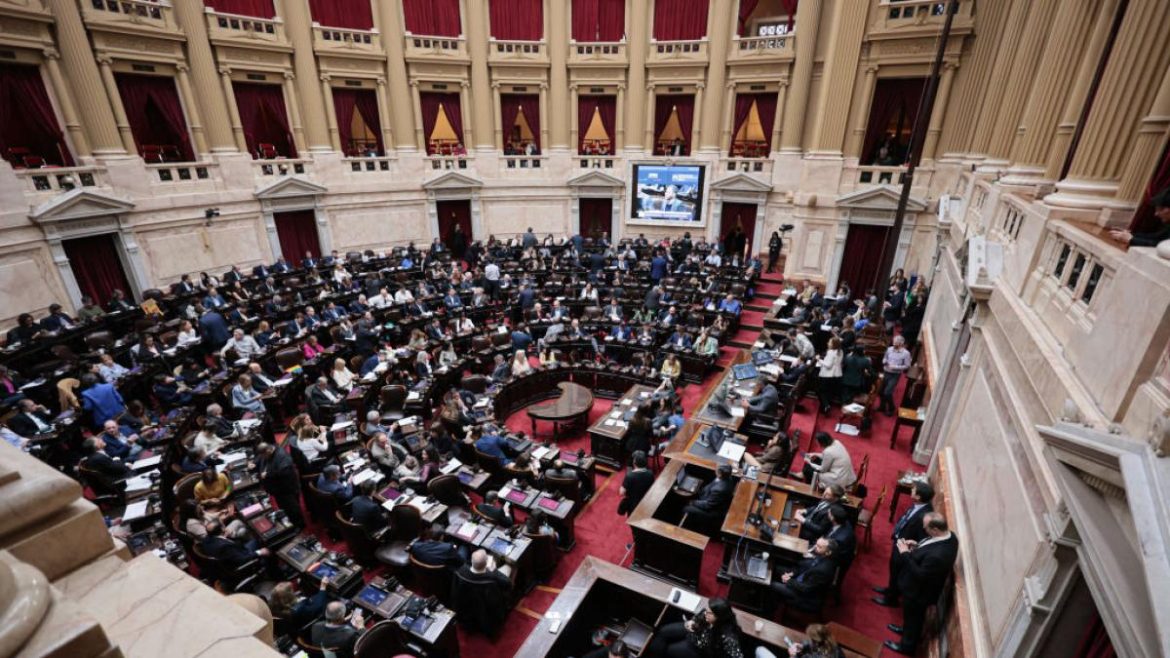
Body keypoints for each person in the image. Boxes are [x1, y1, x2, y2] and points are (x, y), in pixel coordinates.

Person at [883, 513, 959, 655]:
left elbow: (920, 574)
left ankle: (906, 647)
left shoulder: (938, 556)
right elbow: (929, 551)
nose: (923, 529)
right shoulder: (950, 537)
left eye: (926, 527)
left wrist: (905, 553)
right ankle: (906, 631)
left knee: (913, 619)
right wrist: (917, 546)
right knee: (912, 619)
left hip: (918, 593)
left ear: (935, 529)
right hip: (920, 590)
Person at [874, 482, 935, 609]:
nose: (911, 491)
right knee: (893, 570)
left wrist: (909, 548)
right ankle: (890, 589)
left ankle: (891, 599)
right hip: (900, 541)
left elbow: (922, 537)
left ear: (918, 497)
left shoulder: (925, 516)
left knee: (897, 572)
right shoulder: (918, 505)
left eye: (913, 490)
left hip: (905, 547)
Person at [645, 598, 744, 658]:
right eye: (707, 610)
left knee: (668, 650)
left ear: (719, 616)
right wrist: (692, 621)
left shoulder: (728, 636)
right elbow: (698, 617)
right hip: (693, 631)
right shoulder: (707, 613)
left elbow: (737, 655)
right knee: (663, 631)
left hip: (697, 648)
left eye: (710, 613)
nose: (705, 613)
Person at [451, 549, 513, 636]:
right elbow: (508, 584)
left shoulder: (461, 571)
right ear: (486, 564)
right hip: (489, 612)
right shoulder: (491, 578)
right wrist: (494, 570)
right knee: (509, 565)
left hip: (468, 608)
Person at [769, 538, 837, 615]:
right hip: (800, 580)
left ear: (828, 552)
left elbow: (805, 589)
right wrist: (792, 574)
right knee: (775, 568)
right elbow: (804, 568)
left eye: (819, 547)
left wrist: (789, 581)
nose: (815, 547)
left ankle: (769, 611)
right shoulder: (821, 555)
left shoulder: (823, 570)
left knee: (772, 585)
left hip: (804, 596)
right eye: (816, 544)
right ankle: (774, 600)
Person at [254, 442, 305, 528]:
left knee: (293, 509)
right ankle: (291, 522)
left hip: (287, 489)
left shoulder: (282, 456)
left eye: (264, 456)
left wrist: (268, 474)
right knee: (284, 508)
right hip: (278, 490)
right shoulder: (268, 452)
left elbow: (284, 472)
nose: (263, 458)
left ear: (268, 451)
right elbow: (260, 458)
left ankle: (299, 525)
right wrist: (254, 463)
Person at [682, 463, 735, 533]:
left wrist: (693, 502)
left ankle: (690, 527)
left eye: (717, 469)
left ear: (720, 474)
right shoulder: (727, 477)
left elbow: (708, 505)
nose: (715, 469)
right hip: (710, 498)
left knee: (686, 508)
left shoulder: (719, 489)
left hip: (712, 511)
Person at [755, 624, 845, 658]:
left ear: (816, 641)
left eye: (810, 638)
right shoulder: (835, 647)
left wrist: (792, 655)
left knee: (759, 649)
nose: (808, 640)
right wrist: (803, 645)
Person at [880, 335, 912, 415]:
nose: (894, 344)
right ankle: (882, 406)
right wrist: (884, 361)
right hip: (886, 372)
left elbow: (907, 366)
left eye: (896, 342)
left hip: (895, 375)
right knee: (881, 391)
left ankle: (891, 408)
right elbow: (885, 358)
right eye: (894, 342)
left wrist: (895, 367)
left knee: (887, 392)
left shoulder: (906, 353)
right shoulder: (889, 349)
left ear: (901, 343)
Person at [618, 450, 654, 516]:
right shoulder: (650, 473)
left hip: (633, 504)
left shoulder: (630, 476)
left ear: (634, 463)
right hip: (645, 502)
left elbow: (621, 492)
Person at [816, 337, 844, 412]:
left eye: (830, 342)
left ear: (834, 344)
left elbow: (828, 365)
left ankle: (825, 405)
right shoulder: (840, 351)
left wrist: (819, 359)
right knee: (829, 392)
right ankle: (825, 406)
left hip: (828, 375)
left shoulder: (831, 352)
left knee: (820, 390)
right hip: (837, 375)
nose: (828, 343)